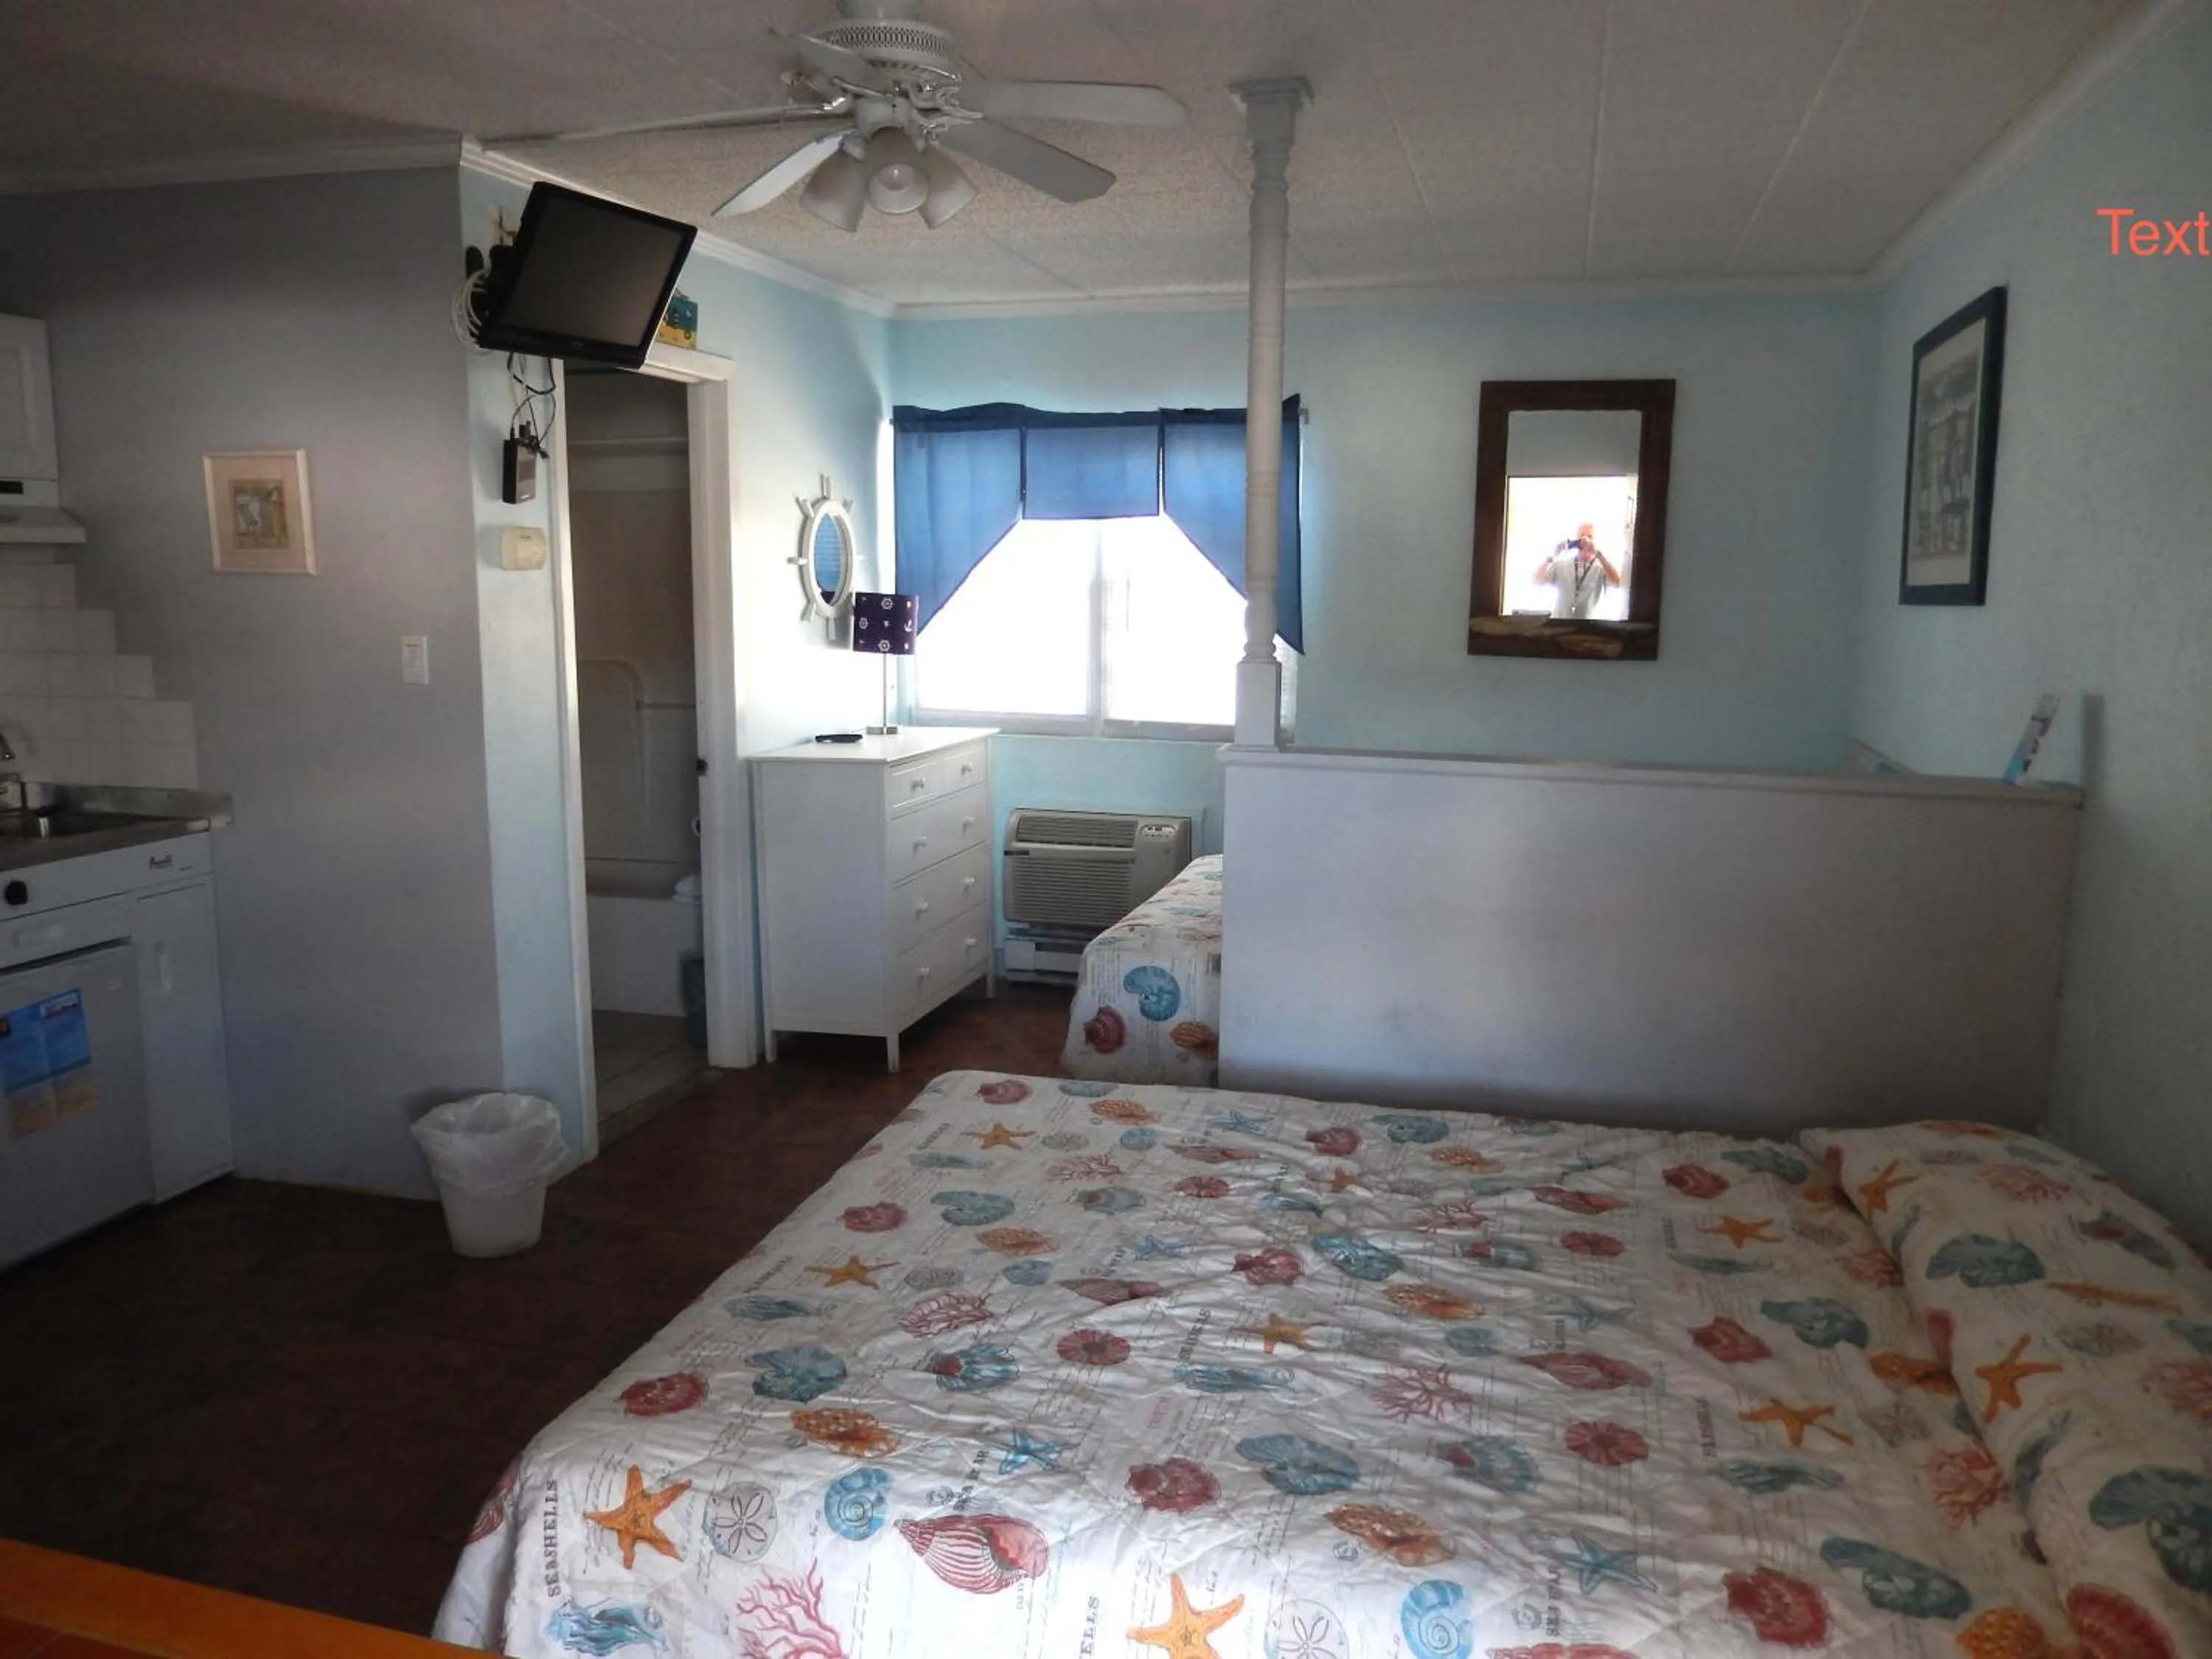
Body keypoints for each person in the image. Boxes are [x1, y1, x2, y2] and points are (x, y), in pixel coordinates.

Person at [1530, 522, 1622, 620]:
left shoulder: (1600, 568)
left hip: (1586, 629)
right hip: (1559, 625)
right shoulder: (1561, 565)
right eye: (1582, 537)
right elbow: (1536, 580)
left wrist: (1598, 554)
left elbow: (1617, 583)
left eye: (1589, 537)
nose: (1585, 541)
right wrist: (1552, 556)